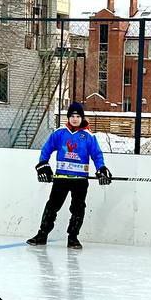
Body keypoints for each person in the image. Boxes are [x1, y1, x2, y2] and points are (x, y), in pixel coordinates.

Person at [26, 102, 111, 249]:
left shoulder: (88, 136)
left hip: (80, 181)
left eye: (78, 116)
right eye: (72, 116)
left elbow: (96, 155)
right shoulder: (59, 133)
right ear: (68, 117)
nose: (75, 119)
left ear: (82, 117)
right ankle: (42, 234)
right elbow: (46, 149)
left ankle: (73, 238)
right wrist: (43, 164)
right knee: (52, 206)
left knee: (78, 209)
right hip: (61, 179)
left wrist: (101, 168)